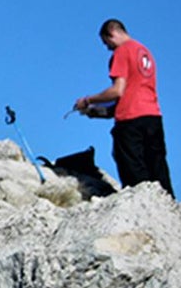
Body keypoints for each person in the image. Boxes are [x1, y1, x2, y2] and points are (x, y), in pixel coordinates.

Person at [74, 19, 175, 197]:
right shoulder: (145, 52)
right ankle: (167, 205)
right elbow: (130, 94)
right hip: (153, 117)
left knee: (134, 172)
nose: (108, 48)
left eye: (106, 42)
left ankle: (141, 204)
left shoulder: (122, 51)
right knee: (157, 167)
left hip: (130, 122)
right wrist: (97, 113)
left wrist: (87, 101)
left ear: (112, 33)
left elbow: (117, 91)